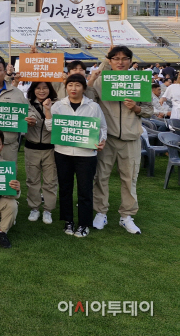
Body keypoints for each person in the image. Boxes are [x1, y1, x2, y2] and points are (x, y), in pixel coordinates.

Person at [90, 46, 153, 234]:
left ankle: (126, 216)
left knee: (129, 178)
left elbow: (149, 110)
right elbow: (87, 99)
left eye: (124, 58)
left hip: (131, 138)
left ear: (130, 61)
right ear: (109, 61)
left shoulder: (140, 82)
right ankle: (101, 212)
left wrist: (136, 108)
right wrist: (97, 71)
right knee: (101, 177)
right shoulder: (100, 82)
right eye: (115, 58)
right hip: (106, 138)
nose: (120, 62)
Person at [44, 74, 107, 237]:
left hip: (86, 154)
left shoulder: (93, 107)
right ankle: (68, 221)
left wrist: (102, 141)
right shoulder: (58, 106)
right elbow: (51, 128)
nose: (73, 88)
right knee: (65, 188)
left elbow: (103, 128)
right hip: (62, 153)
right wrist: (47, 112)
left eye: (77, 85)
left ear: (84, 88)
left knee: (85, 190)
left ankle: (84, 224)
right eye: (70, 85)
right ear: (66, 87)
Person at [23, 82, 58, 225]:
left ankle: (48, 210)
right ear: (33, 90)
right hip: (31, 147)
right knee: (33, 180)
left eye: (45, 88)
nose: (41, 91)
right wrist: (26, 122)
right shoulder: (27, 104)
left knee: (50, 181)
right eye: (38, 88)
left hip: (50, 148)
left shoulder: (58, 105)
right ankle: (34, 208)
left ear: (50, 90)